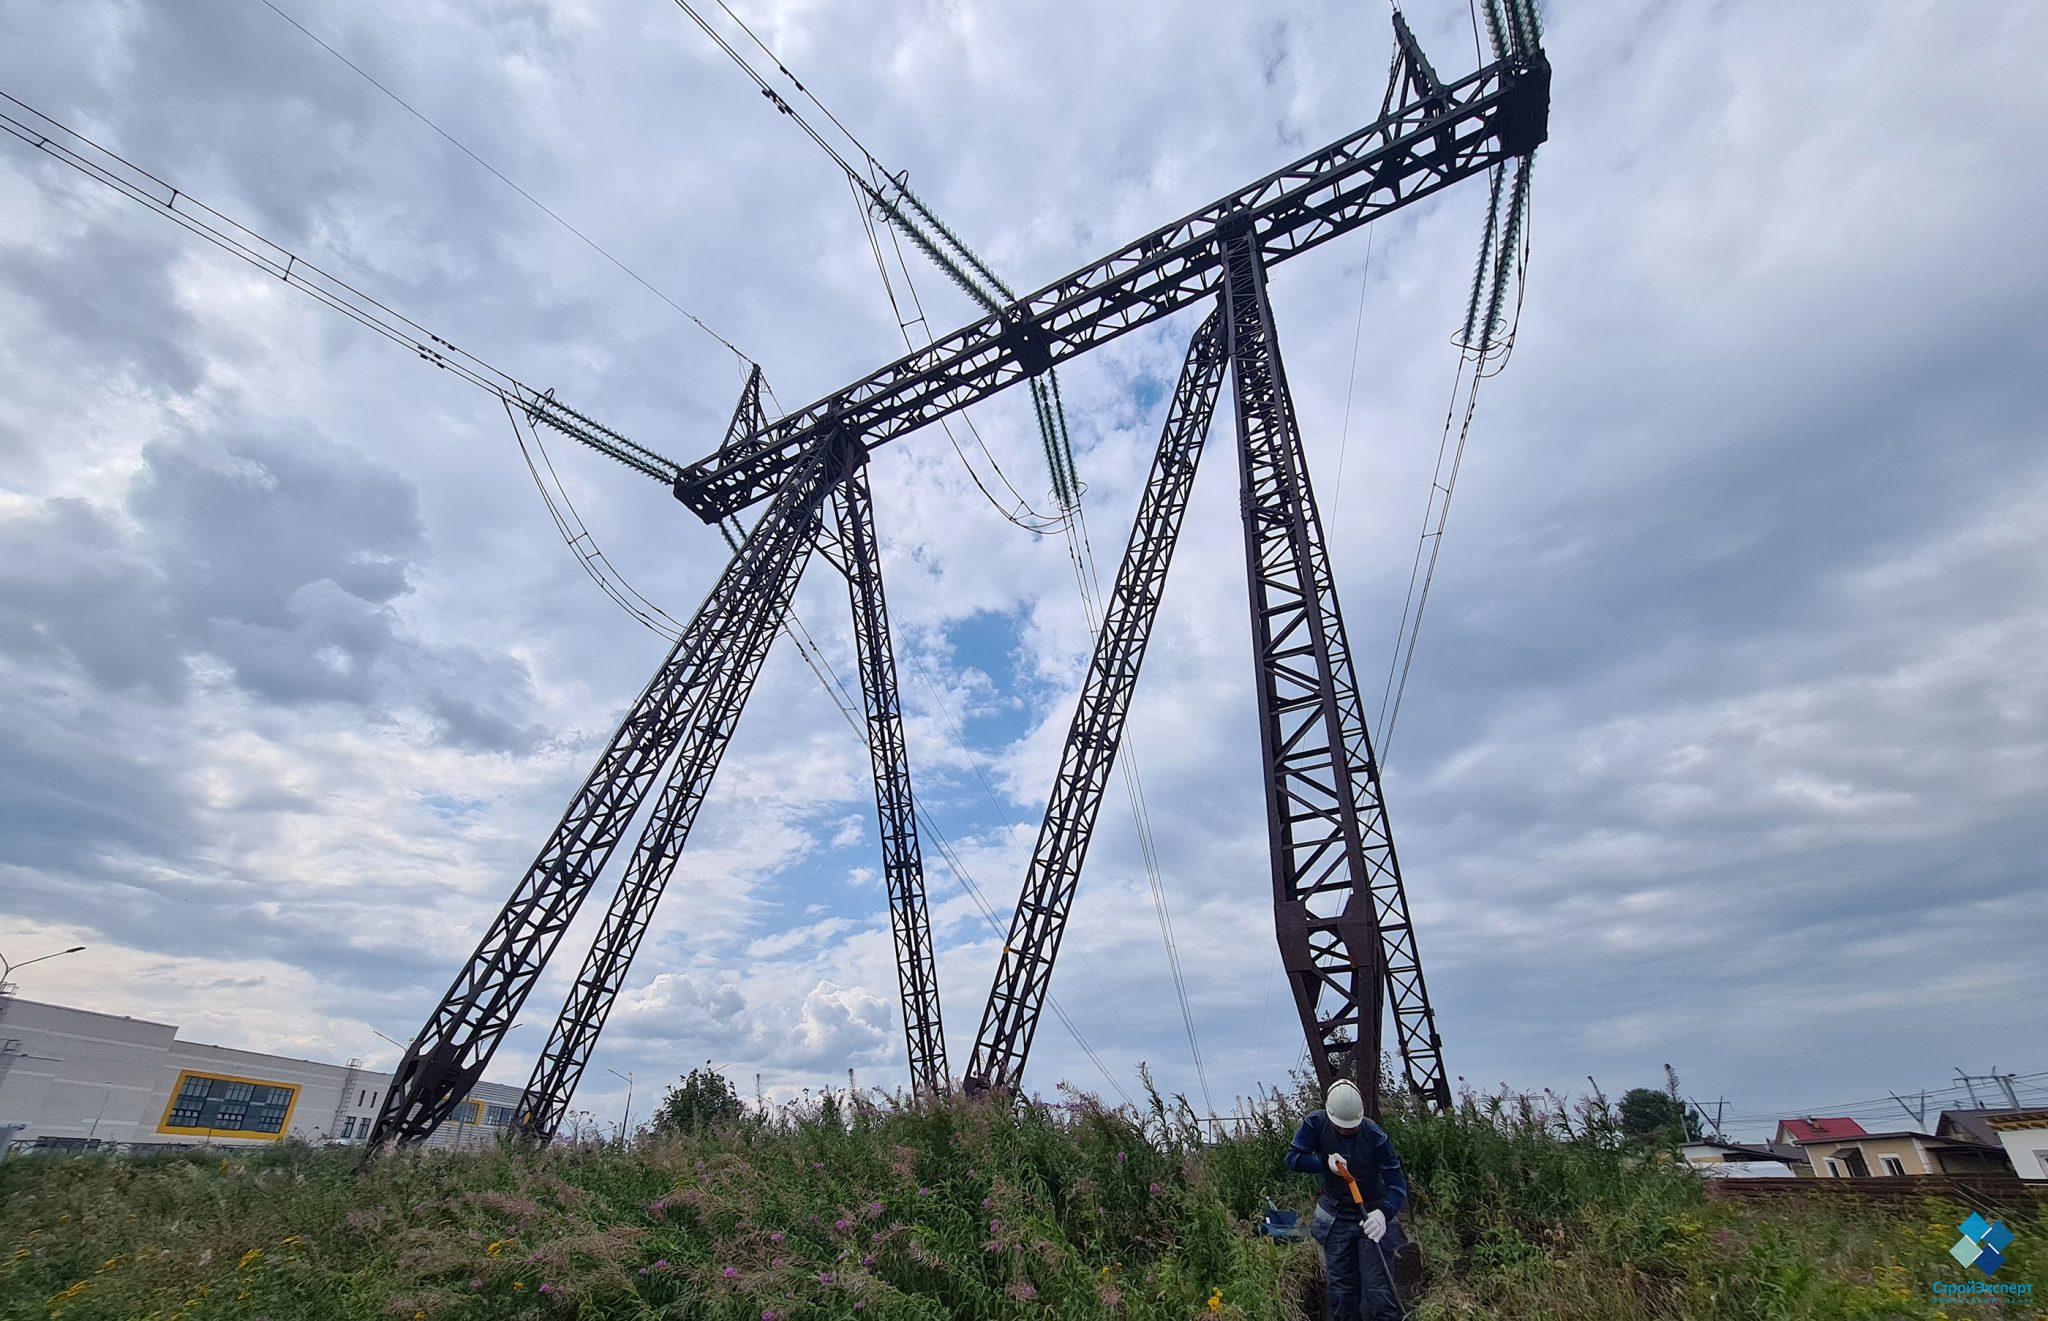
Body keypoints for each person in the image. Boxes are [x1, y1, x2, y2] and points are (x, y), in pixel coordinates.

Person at [1286, 1079, 1408, 1320]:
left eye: (1351, 1127)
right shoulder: (1315, 1123)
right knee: (1342, 1292)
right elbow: (1293, 1159)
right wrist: (1323, 1162)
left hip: (1370, 1216)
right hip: (1335, 1217)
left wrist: (1383, 1213)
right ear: (1330, 1116)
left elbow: (1397, 1184)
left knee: (1379, 1292)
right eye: (1341, 1127)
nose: (1346, 1131)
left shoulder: (1375, 1135)